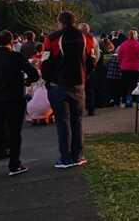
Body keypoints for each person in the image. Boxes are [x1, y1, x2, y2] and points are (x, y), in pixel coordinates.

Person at [0, 30, 39, 179]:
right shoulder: (16, 57)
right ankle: (14, 164)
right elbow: (33, 74)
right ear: (11, 42)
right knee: (14, 133)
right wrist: (26, 81)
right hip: (14, 98)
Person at [44, 11, 92, 169]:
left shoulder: (52, 38)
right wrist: (84, 77)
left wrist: (47, 79)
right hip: (78, 83)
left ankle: (65, 157)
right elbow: (91, 59)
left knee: (62, 122)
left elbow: (46, 62)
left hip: (58, 84)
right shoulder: (85, 37)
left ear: (60, 22)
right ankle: (78, 155)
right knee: (77, 121)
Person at [116, 30, 139, 108]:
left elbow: (119, 57)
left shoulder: (123, 45)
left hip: (124, 67)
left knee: (124, 85)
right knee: (134, 84)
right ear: (136, 36)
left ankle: (123, 102)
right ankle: (134, 102)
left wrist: (121, 64)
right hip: (136, 67)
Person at [80, 23, 99, 116]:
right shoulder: (93, 39)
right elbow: (97, 53)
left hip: (81, 68)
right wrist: (95, 62)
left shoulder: (77, 39)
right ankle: (90, 109)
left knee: (81, 90)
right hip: (90, 67)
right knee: (90, 90)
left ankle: (83, 110)